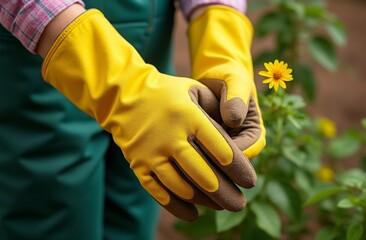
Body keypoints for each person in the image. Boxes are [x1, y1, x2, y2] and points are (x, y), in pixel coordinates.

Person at [0, 0, 265, 239]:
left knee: (133, 219)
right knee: (55, 219)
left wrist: (220, 32)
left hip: (153, 59)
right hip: (46, 51)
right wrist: (126, 89)